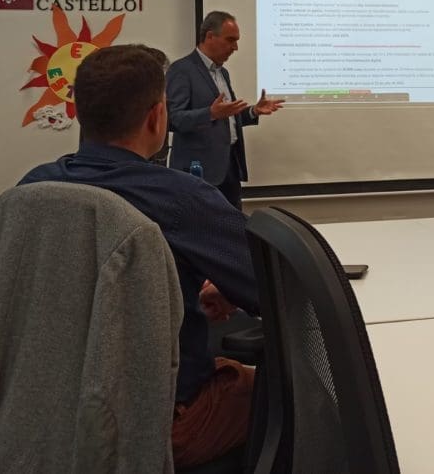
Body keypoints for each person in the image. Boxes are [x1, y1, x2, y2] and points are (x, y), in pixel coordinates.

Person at [19, 44, 259, 467]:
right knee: (291, 389)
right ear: (157, 117)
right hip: (160, 418)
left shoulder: (33, 188)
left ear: (79, 113)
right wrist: (230, 288)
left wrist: (179, 293)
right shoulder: (181, 199)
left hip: (46, 412)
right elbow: (272, 286)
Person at [166, 11, 284, 209]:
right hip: (199, 172)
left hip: (229, 166)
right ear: (210, 36)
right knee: (203, 225)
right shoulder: (182, 70)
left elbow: (227, 116)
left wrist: (253, 111)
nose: (235, 47)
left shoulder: (223, 73)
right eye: (230, 40)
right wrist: (210, 113)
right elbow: (172, 119)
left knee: (233, 223)